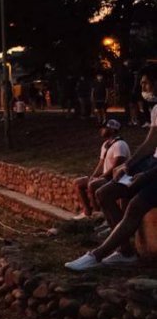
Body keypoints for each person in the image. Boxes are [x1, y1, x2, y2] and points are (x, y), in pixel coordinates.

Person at [65, 65, 157, 270]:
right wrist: (128, 165)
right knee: (104, 192)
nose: (142, 87)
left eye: (146, 83)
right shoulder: (156, 109)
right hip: (152, 162)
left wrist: (145, 175)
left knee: (135, 206)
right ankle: (125, 251)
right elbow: (150, 144)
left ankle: (96, 255)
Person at [71, 119, 129, 220]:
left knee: (92, 185)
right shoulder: (105, 144)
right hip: (105, 176)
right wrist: (93, 176)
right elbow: (101, 164)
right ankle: (87, 212)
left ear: (112, 130)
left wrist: (101, 177)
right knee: (78, 183)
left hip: (116, 178)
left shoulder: (120, 145)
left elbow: (116, 166)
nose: (101, 130)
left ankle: (97, 214)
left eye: (104, 128)